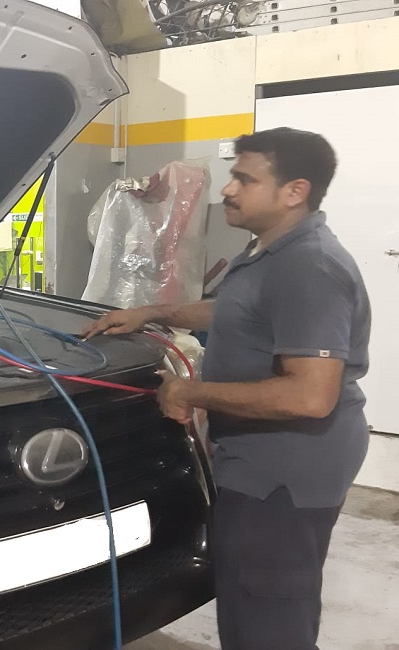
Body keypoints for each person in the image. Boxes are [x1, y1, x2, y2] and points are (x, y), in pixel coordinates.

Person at [82, 127, 370, 650]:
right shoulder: (271, 253)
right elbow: (239, 309)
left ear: (295, 191)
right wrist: (153, 311)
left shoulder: (309, 266)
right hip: (260, 460)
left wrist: (189, 393)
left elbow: (310, 396)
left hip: (284, 471)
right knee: (253, 594)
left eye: (244, 179)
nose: (228, 190)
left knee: (267, 610)